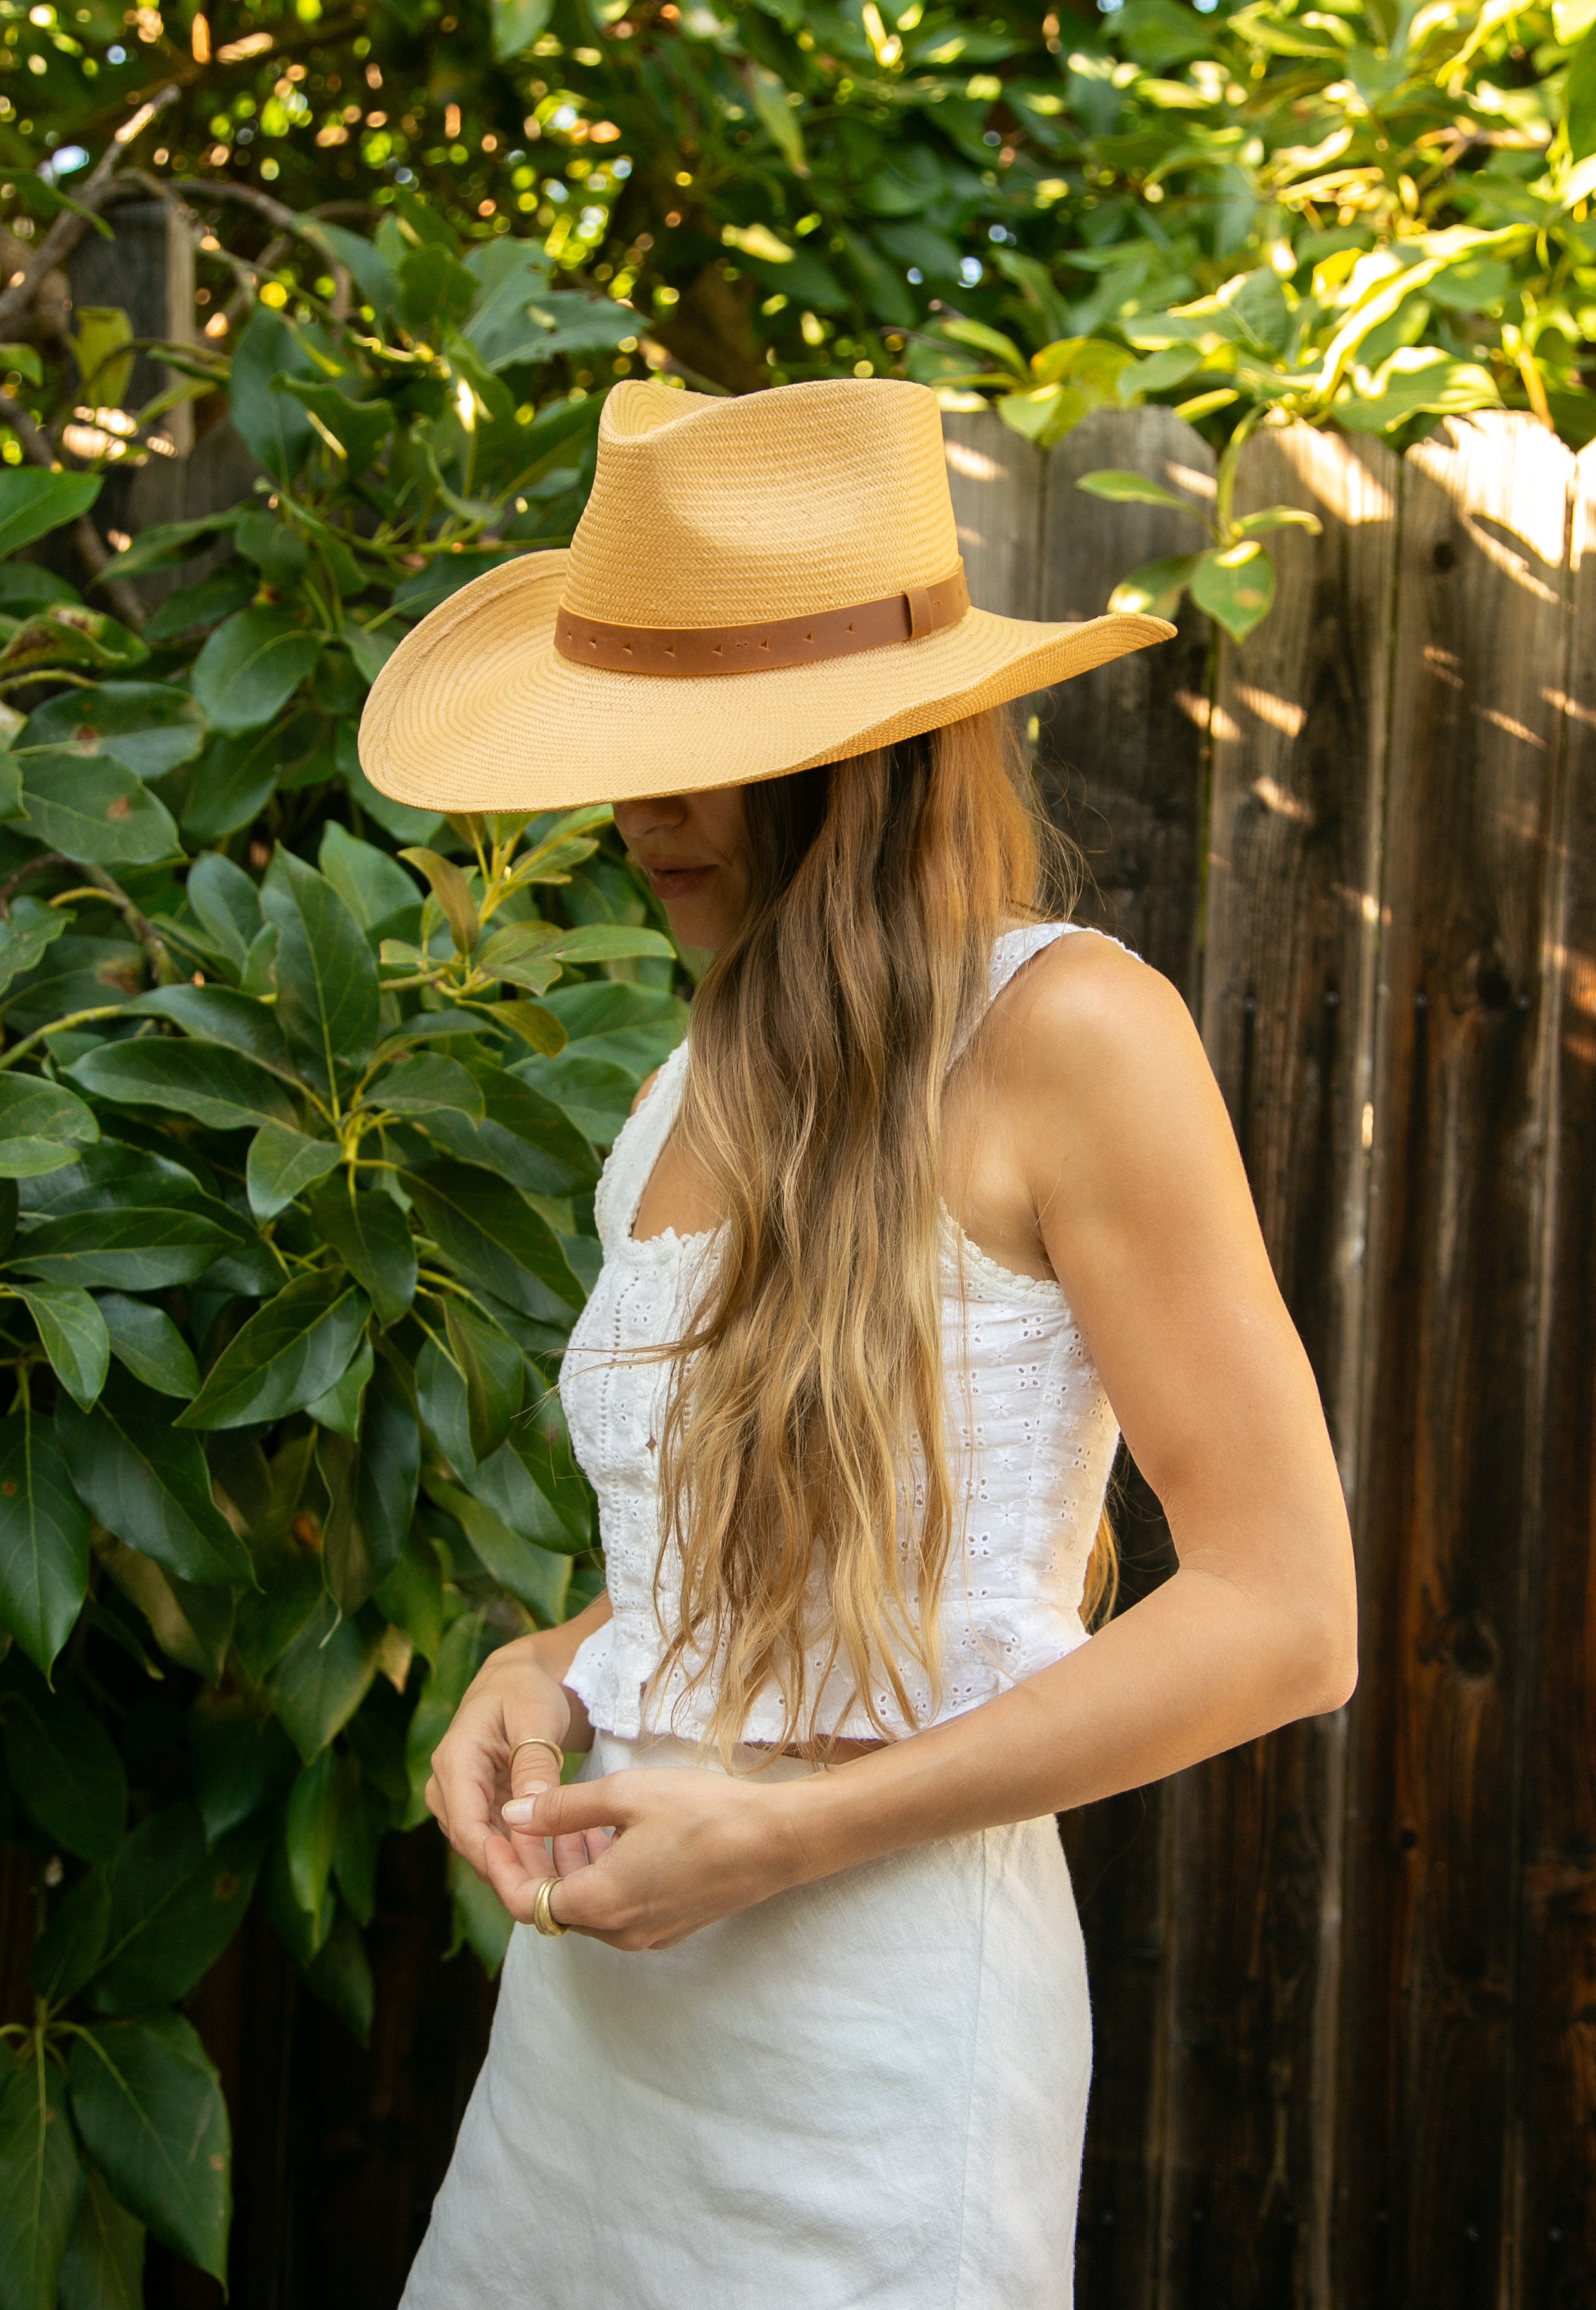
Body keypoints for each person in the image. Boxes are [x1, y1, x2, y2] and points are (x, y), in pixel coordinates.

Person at [359, 376, 1357, 2309]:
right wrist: (548, 1659)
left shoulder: (1069, 1035)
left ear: (881, 749)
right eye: (628, 745)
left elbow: (1286, 1613)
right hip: (596, 2046)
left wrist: (789, 1829)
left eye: (720, 748)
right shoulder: (674, 1099)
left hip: (877, 2038)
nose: (649, 811)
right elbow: (774, 1562)